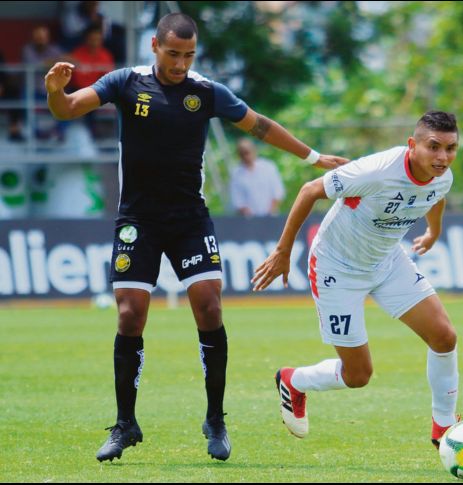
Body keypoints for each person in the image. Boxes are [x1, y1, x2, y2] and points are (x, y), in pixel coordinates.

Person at [45, 13, 347, 463]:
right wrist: (55, 91)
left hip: (189, 219)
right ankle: (125, 425)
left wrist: (313, 156)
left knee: (209, 305)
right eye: (173, 54)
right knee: (129, 315)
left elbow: (258, 124)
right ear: (154, 45)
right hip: (138, 220)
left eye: (188, 55)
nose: (180, 64)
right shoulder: (125, 82)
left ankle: (215, 420)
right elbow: (68, 109)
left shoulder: (205, 91)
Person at [251, 111, 461, 448]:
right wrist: (282, 252)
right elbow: (309, 191)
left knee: (444, 336)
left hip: (387, 262)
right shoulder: (376, 171)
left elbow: (437, 196)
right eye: (434, 147)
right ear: (412, 145)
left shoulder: (442, 176)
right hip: (337, 269)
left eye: (451, 148)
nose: (443, 157)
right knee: (358, 376)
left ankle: (445, 427)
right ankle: (294, 380)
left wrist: (433, 232)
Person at [229, 138, 286, 216]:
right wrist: (250, 216)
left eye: (247, 153)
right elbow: (237, 200)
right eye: (242, 154)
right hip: (249, 221)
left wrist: (269, 212)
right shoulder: (236, 174)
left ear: (254, 150)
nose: (245, 156)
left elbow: (278, 192)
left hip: (271, 218)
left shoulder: (269, 167)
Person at [69, 24, 115, 91]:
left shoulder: (106, 56)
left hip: (99, 93)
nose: (94, 43)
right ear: (86, 39)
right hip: (77, 91)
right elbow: (76, 81)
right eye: (92, 39)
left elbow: (108, 81)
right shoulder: (77, 54)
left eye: (97, 39)